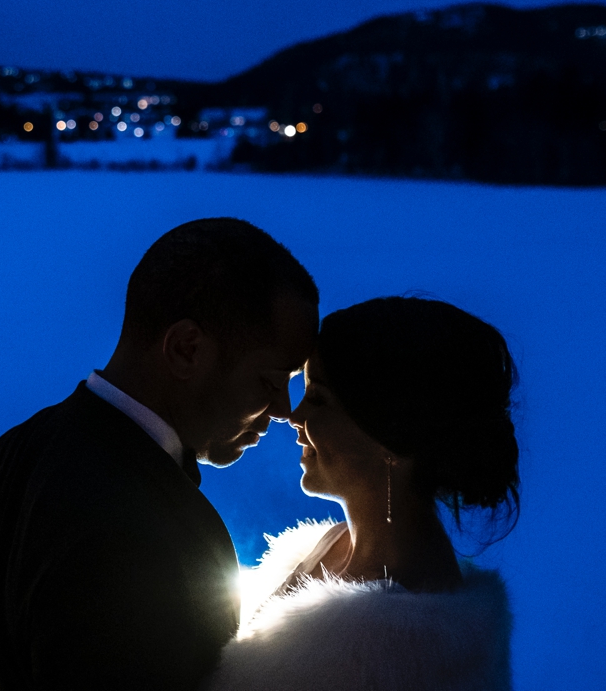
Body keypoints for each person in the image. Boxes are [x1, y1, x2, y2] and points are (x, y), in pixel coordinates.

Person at [0, 218, 319, 691]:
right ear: (185, 349)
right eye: (269, 380)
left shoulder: (11, 452)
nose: (285, 410)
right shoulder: (147, 526)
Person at [206, 296, 519, 691]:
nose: (294, 417)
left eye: (318, 398)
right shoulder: (331, 543)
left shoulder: (405, 652)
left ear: (391, 434)